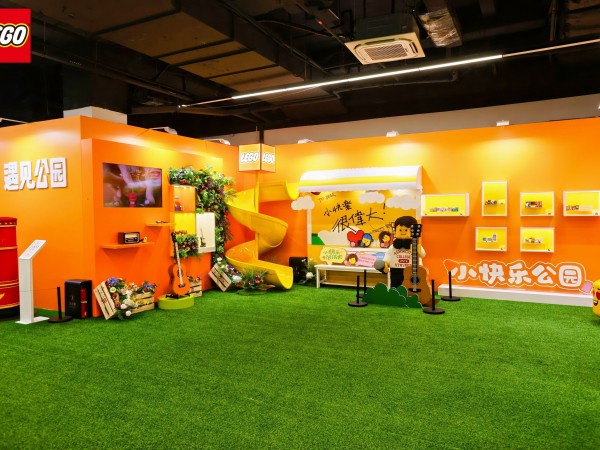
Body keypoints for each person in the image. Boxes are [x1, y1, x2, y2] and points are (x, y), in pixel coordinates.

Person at [381, 216, 425, 288]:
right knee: (395, 287)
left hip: (412, 270)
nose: (403, 232)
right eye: (400, 230)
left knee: (411, 286)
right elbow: (388, 257)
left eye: (406, 230)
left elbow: (422, 255)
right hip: (395, 270)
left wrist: (417, 249)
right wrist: (385, 264)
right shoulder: (392, 247)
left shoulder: (415, 245)